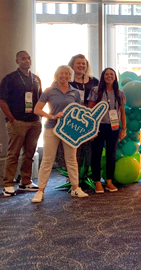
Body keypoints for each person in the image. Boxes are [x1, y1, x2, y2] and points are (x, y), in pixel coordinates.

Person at [31, 65, 89, 203]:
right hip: (52, 128)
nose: (64, 76)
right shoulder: (49, 91)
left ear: (70, 76)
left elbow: (79, 111)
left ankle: (75, 188)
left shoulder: (75, 92)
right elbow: (37, 110)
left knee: (72, 159)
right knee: (47, 160)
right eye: (61, 74)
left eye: (67, 74)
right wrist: (52, 116)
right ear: (56, 75)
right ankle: (40, 191)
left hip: (69, 130)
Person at [0, 51, 43, 196]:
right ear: (17, 61)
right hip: (17, 122)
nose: (27, 60)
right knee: (13, 154)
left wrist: (40, 118)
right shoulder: (10, 78)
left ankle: (25, 182)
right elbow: (1, 100)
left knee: (29, 154)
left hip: (34, 122)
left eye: (29, 58)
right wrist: (12, 119)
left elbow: (40, 99)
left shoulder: (36, 79)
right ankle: (8, 184)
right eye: (23, 58)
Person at [55, 54, 99, 184]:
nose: (81, 66)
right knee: (73, 149)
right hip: (71, 120)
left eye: (83, 63)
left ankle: (85, 176)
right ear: (72, 65)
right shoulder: (67, 80)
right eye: (78, 63)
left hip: (88, 120)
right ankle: (72, 178)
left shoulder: (94, 81)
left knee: (88, 149)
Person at [88, 68, 127, 194]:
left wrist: (124, 129)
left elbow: (122, 112)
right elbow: (90, 110)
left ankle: (109, 182)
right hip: (98, 127)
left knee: (111, 155)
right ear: (103, 76)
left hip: (114, 127)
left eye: (111, 74)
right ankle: (97, 182)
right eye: (106, 74)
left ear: (115, 77)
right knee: (96, 154)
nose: (109, 76)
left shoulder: (119, 93)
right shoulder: (96, 91)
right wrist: (91, 129)